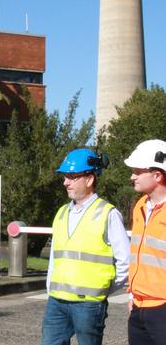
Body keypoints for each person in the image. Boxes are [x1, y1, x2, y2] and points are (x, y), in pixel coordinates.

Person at [41, 148, 130, 345]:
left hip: (88, 304)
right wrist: (50, 288)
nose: (65, 182)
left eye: (72, 177)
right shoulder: (62, 213)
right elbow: (55, 258)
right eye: (65, 177)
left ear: (89, 179)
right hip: (57, 301)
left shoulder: (108, 213)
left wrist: (103, 290)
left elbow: (125, 261)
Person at [124, 139, 166, 344]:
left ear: (157, 175)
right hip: (139, 308)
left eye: (138, 171)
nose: (132, 177)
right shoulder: (140, 206)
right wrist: (132, 295)